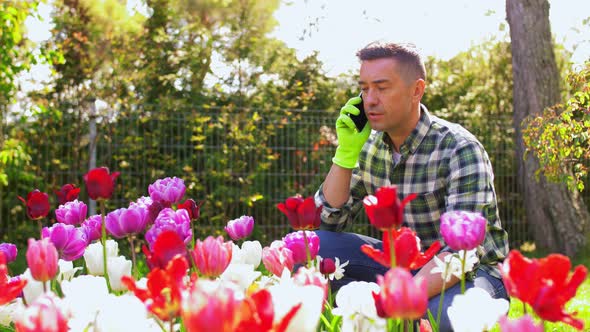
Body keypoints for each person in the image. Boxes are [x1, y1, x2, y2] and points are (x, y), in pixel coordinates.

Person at [314, 41, 509, 331]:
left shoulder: (459, 148)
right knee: (314, 248)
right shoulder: (367, 148)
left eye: (382, 87)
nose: (370, 100)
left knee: (438, 317)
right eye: (364, 88)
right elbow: (328, 223)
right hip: (402, 267)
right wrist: (344, 155)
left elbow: (461, 255)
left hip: (471, 272)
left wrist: (396, 301)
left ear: (416, 90)